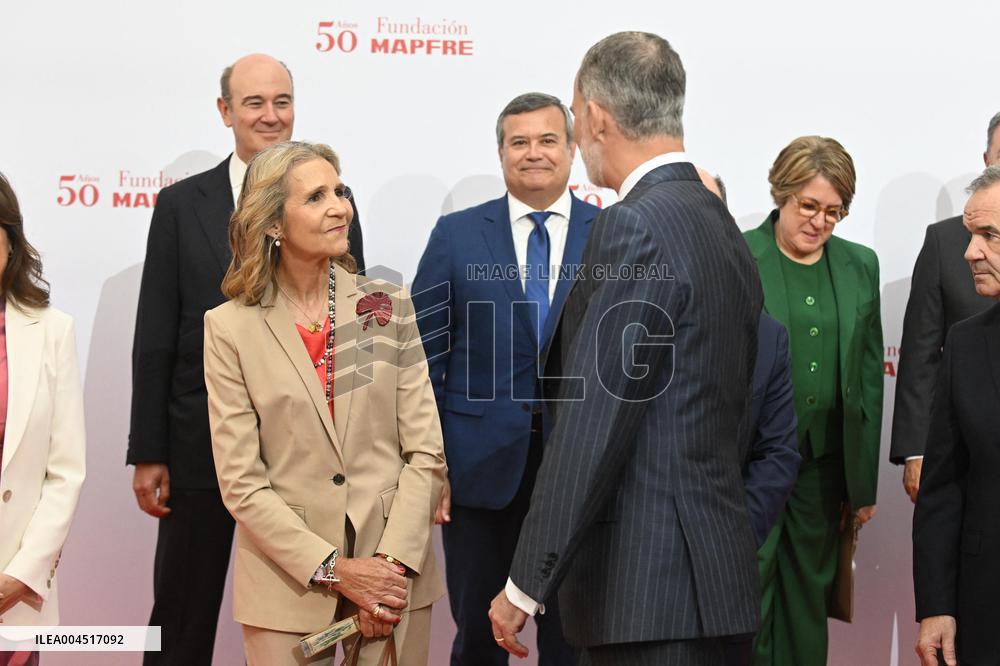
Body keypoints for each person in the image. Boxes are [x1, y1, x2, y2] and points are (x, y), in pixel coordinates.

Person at [489, 32, 764, 665]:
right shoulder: (716, 218)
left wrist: (526, 581)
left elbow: (596, 418)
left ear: (593, 117)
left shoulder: (634, 222)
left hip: (648, 591)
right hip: (713, 577)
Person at [125, 54, 366, 665]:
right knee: (182, 610)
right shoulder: (181, 206)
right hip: (200, 442)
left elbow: (351, 323)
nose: (270, 115)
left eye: (281, 101)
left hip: (308, 453)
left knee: (305, 617)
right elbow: (156, 330)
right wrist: (149, 449)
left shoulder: (334, 199)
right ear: (225, 111)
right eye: (254, 103)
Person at [204, 141, 445, 665]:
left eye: (340, 190)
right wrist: (336, 569)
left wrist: (390, 567)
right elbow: (242, 483)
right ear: (272, 223)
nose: (340, 206)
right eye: (316, 197)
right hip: (287, 587)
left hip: (393, 585)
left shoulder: (388, 305)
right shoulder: (228, 328)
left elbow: (425, 453)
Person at [411, 91, 597, 666]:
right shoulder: (457, 234)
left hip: (579, 472)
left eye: (548, 140)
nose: (533, 153)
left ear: (571, 150)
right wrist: (431, 463)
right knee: (477, 636)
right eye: (519, 142)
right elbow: (421, 360)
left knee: (573, 639)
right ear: (500, 153)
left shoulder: (614, 230)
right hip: (478, 474)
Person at [743, 136, 884, 665]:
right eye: (809, 206)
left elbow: (870, 378)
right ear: (781, 193)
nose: (820, 222)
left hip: (823, 470)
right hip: (749, 465)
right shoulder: (740, 253)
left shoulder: (859, 265)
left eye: (834, 211)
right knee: (745, 593)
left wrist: (862, 483)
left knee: (807, 601)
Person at [913, 165, 1000, 666]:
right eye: (971, 235)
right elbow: (942, 489)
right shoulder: (965, 344)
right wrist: (937, 606)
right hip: (985, 607)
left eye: (989, 235)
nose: (970, 252)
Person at [890, 111, 999, 501]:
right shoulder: (945, 241)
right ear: (986, 160)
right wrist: (916, 448)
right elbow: (921, 353)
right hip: (960, 448)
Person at [0, 173, 86, 664]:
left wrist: (23, 574)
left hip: (14, 593)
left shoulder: (52, 331)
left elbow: (65, 471)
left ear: (10, 243)